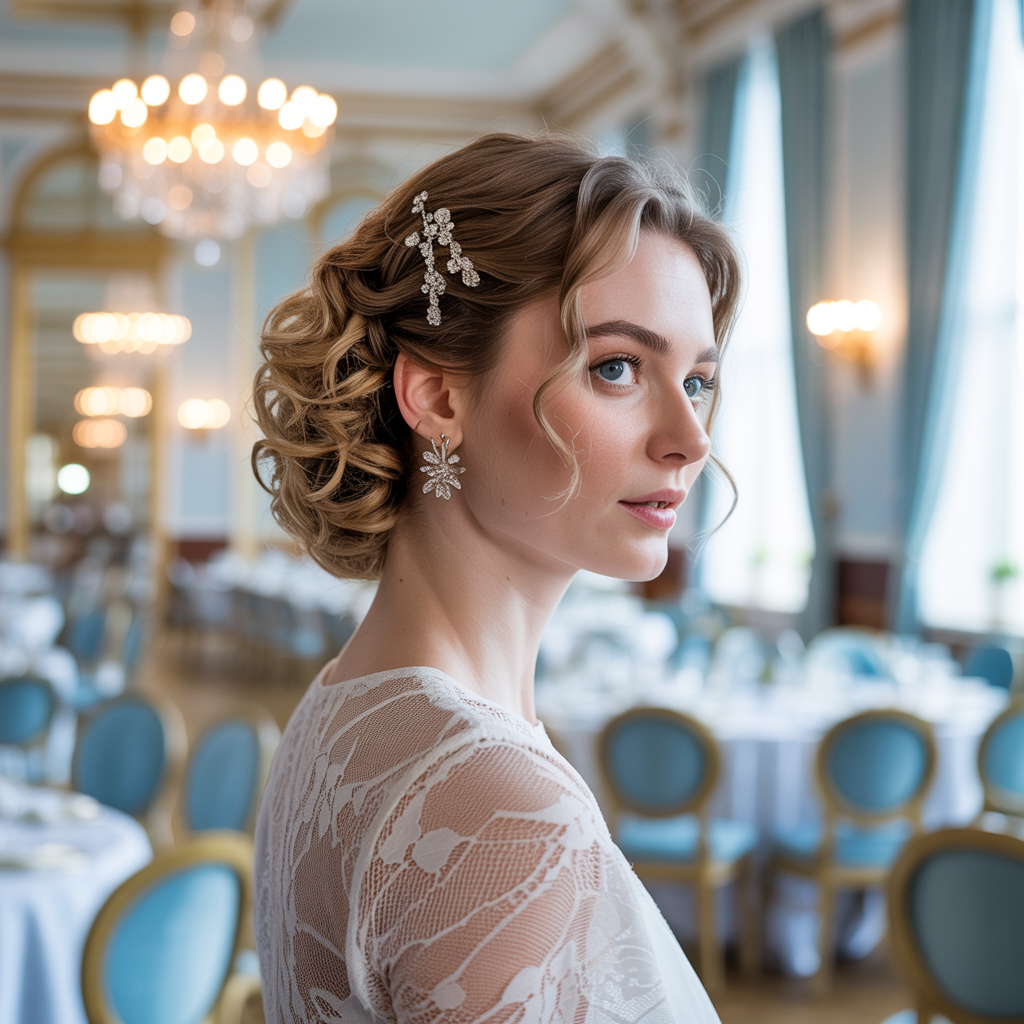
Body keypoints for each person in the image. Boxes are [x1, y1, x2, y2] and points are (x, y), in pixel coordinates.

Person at [252, 132, 741, 1023]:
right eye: (618, 368)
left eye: (698, 380)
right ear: (438, 395)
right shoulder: (498, 810)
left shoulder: (345, 703)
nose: (690, 437)